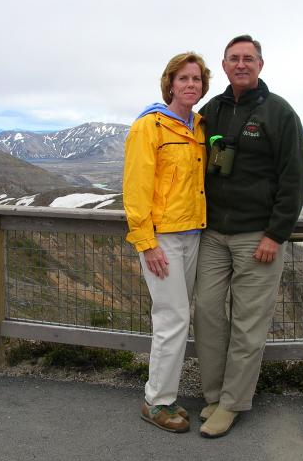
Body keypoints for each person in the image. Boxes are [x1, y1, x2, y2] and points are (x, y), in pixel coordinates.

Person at [193, 35, 303, 438]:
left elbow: (294, 178)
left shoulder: (279, 113)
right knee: (206, 312)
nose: (241, 64)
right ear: (223, 66)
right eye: (234, 58)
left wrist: (276, 235)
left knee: (248, 324)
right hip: (213, 235)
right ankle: (213, 393)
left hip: (257, 236)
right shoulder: (211, 111)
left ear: (261, 65)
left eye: (249, 58)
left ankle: (232, 403)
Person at [122, 52, 210, 433]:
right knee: (173, 317)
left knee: (179, 315)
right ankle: (157, 401)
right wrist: (147, 242)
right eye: (183, 79)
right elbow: (136, 188)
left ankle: (165, 396)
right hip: (164, 239)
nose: (191, 85)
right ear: (170, 84)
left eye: (197, 79)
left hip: (194, 234)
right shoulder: (150, 126)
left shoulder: (199, 126)